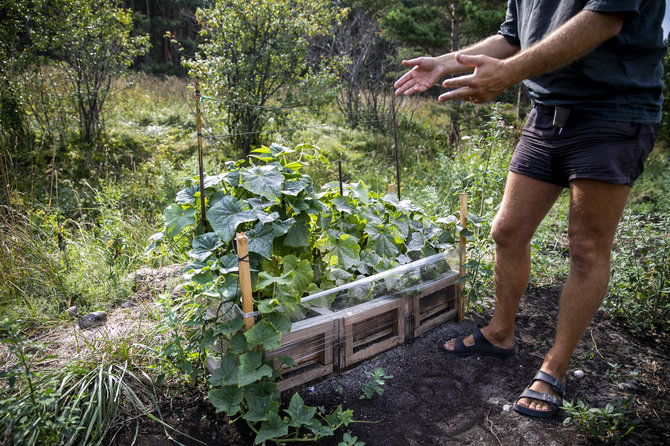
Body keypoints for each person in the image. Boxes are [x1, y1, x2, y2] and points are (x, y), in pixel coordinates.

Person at [394, 0, 665, 418]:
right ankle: (501, 333)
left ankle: (554, 368)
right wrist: (447, 62)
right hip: (546, 114)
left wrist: (510, 74)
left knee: (587, 247)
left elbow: (606, 19)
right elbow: (513, 36)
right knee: (506, 231)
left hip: (612, 114)